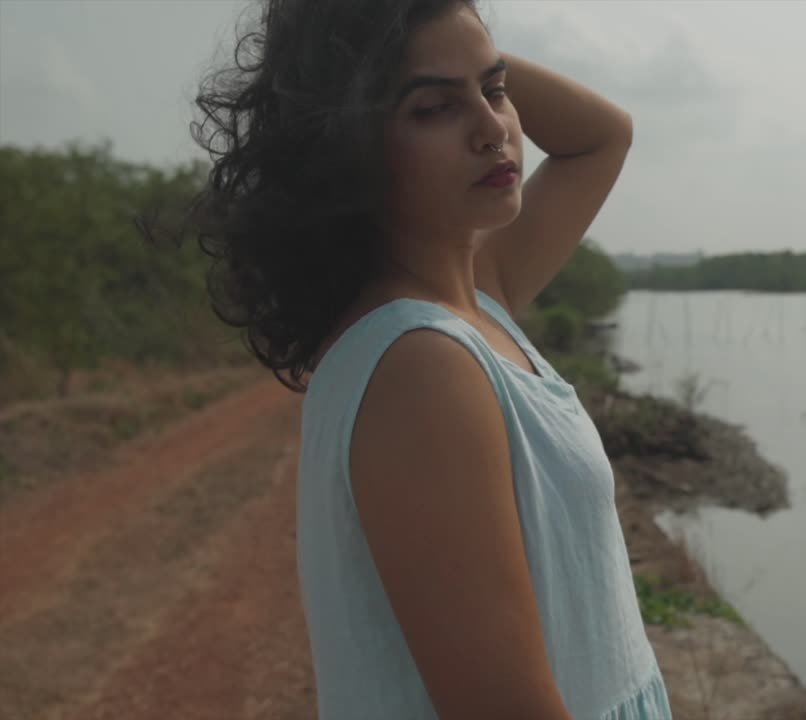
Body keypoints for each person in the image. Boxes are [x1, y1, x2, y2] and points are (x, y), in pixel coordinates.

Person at [175, 0, 671, 717]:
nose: (492, 129)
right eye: (435, 109)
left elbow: (603, 136)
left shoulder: (476, 303)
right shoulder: (423, 365)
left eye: (495, 91)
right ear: (348, 143)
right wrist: (352, 54)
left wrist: (442, 42)